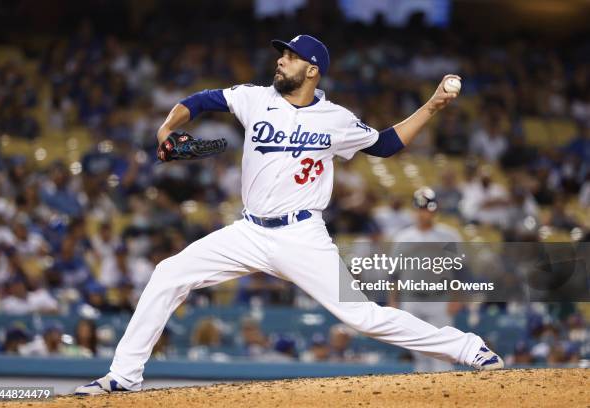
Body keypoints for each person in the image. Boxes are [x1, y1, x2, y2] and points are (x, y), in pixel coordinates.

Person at [76, 34, 503, 395]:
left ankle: (467, 348)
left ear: (312, 70)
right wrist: (167, 128)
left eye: (290, 57)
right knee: (169, 273)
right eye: (282, 55)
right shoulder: (254, 99)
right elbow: (199, 101)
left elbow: (387, 145)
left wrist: (431, 106)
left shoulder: (335, 118)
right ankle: (124, 376)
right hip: (249, 231)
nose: (280, 60)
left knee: (361, 315)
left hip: (301, 236)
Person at [390, 187, 463, 372]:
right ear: (415, 211)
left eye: (427, 209)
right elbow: (394, 273)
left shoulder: (448, 236)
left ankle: (447, 397)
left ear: (435, 211)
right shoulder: (403, 237)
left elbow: (459, 270)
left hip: (439, 298)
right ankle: (423, 397)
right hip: (411, 298)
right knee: (418, 352)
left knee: (443, 351)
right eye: (420, 209)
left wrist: (457, 296)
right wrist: (393, 301)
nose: (423, 213)